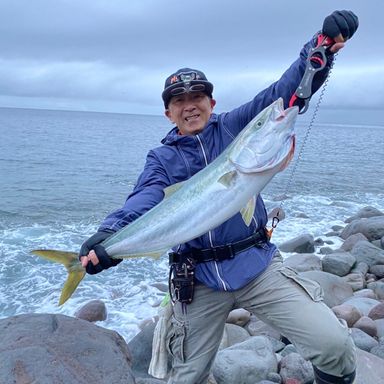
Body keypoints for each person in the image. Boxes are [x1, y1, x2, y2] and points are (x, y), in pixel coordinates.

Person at [79, 10, 359, 384]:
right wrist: (109, 236)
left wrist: (319, 47)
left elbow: (284, 94)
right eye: (178, 100)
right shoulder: (162, 159)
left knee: (336, 347)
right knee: (186, 376)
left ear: (212, 102)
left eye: (198, 96)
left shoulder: (234, 126)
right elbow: (143, 200)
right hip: (196, 280)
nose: (189, 104)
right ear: (168, 112)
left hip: (256, 264)